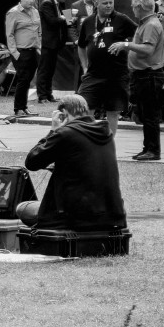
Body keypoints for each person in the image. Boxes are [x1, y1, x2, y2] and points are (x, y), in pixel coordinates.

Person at [21, 94, 126, 231]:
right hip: (112, 215)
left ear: (63, 114)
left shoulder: (65, 133)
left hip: (74, 217)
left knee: (23, 209)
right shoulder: (106, 133)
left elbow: (32, 162)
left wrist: (53, 130)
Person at [111, 0, 164, 161]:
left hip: (149, 75)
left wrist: (126, 45)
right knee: (145, 114)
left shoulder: (150, 25)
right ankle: (148, 148)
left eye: (133, 6)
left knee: (150, 115)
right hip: (144, 74)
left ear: (139, 7)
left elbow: (148, 50)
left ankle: (153, 150)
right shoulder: (147, 23)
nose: (132, 9)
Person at [75, 0, 136, 135]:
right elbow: (81, 45)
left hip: (116, 74)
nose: (109, 6)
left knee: (113, 111)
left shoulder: (122, 19)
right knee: (84, 108)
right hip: (93, 73)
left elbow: (138, 36)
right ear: (96, 4)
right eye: (105, 3)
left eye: (111, 3)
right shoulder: (89, 21)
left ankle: (108, 144)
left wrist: (126, 45)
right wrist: (84, 67)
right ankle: (90, 140)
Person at [5, 0, 41, 117]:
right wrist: (15, 52)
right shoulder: (13, 13)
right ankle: (18, 108)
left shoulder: (35, 11)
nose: (31, 1)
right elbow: (9, 34)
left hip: (33, 50)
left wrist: (39, 46)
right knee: (23, 78)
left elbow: (38, 31)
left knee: (28, 79)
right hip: (21, 51)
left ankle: (24, 107)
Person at [36, 0, 70, 104]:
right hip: (47, 43)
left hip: (57, 43)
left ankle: (49, 94)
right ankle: (42, 96)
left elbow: (67, 21)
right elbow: (52, 21)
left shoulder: (62, 4)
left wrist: (70, 19)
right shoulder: (46, 4)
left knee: (51, 70)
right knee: (44, 69)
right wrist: (64, 18)